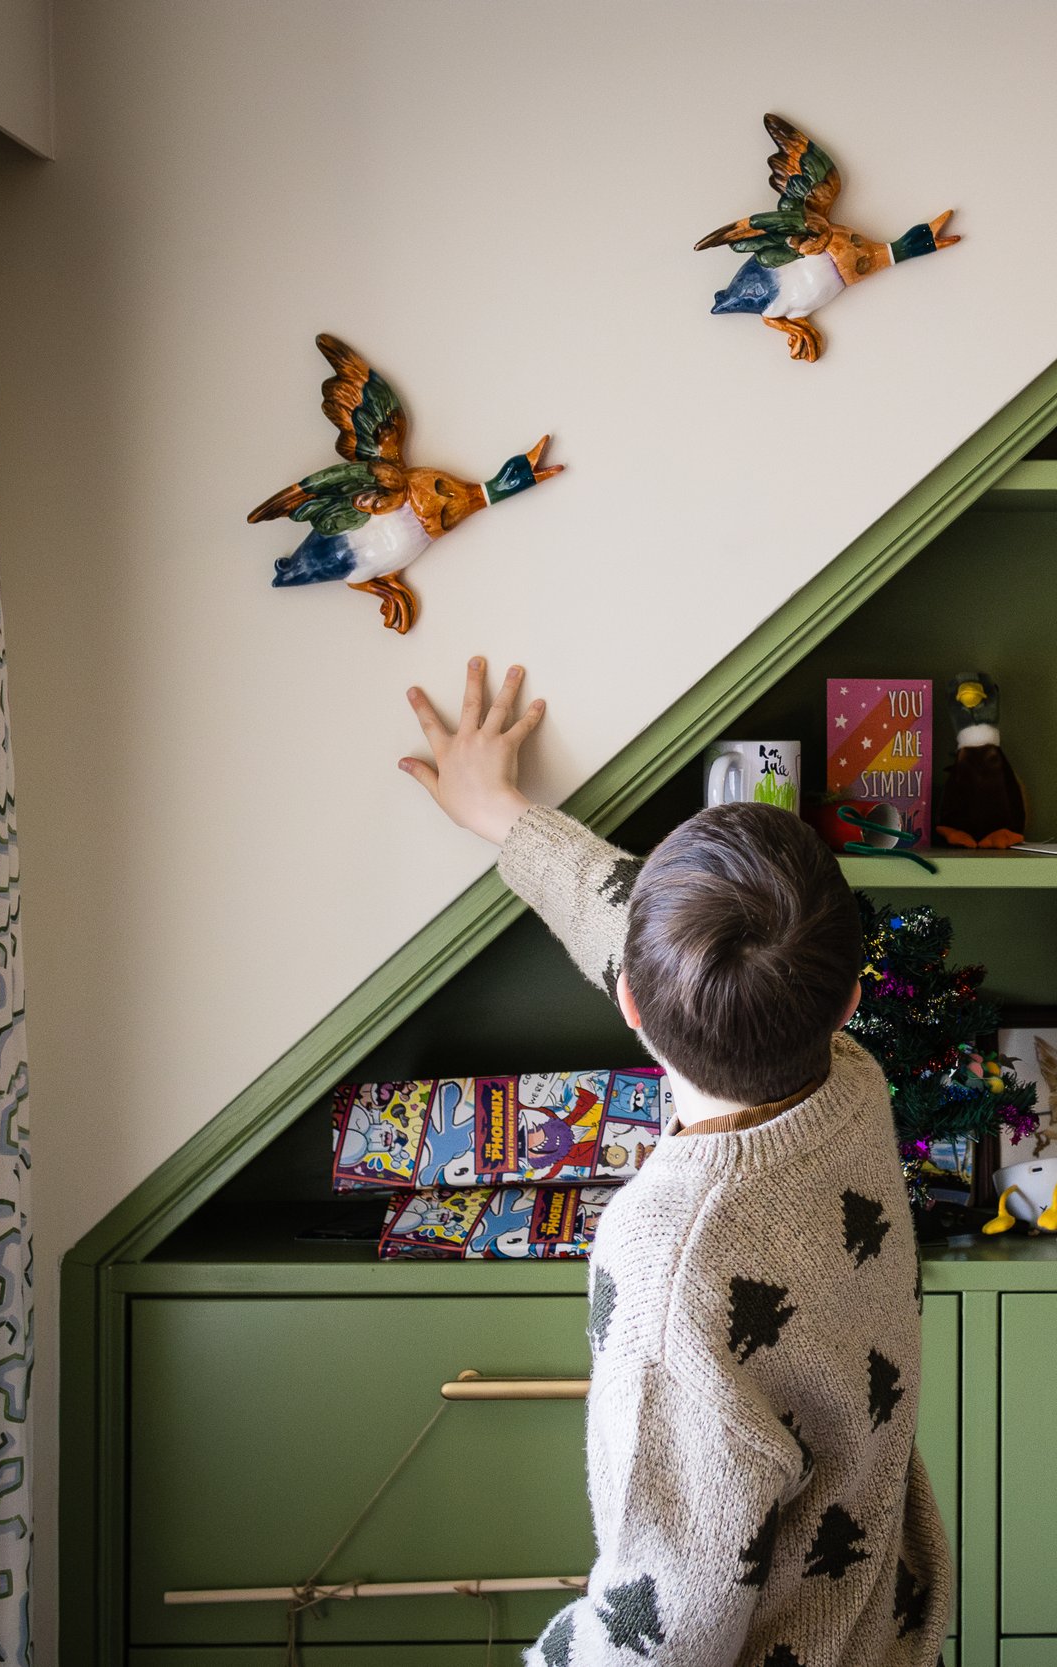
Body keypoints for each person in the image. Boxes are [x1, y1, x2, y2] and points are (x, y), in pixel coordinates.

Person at [398, 659, 949, 1667]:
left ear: (629, 1008)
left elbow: (666, 1626)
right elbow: (656, 935)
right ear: (848, 996)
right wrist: (509, 819)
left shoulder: (667, 1254)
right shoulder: (851, 1080)